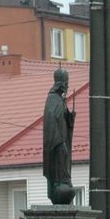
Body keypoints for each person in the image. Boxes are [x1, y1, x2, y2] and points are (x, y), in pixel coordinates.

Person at [42, 67, 76, 205]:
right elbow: (51, 120)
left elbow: (64, 120)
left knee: (65, 161)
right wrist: (58, 141)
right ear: (60, 84)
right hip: (56, 142)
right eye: (66, 84)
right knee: (60, 159)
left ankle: (64, 182)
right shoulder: (52, 99)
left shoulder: (61, 100)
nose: (67, 87)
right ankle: (59, 183)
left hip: (62, 140)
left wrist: (70, 117)